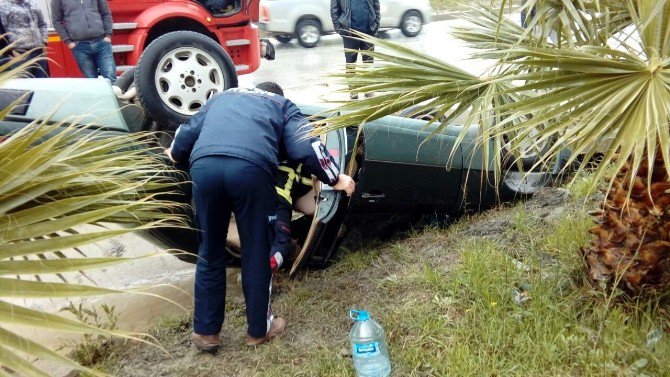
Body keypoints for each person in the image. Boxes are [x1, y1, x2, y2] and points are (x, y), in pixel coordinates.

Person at [165, 82, 356, 351]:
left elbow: (185, 133)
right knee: (256, 250)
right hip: (250, 169)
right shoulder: (282, 106)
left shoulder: (222, 98)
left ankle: (206, 333)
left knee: (210, 249)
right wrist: (335, 178)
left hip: (204, 168)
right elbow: (305, 145)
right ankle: (258, 330)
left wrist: (174, 154)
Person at [51, 0, 116, 83]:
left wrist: (108, 35)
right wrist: (69, 42)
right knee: (91, 81)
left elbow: (106, 13)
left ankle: (114, 96)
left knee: (111, 78)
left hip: (101, 43)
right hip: (80, 47)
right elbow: (56, 21)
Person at [330, 0, 380, 99]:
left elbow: (376, 5)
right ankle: (353, 90)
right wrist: (340, 29)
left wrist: (376, 24)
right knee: (350, 64)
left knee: (369, 62)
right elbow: (334, 10)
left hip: (368, 31)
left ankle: (369, 89)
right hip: (349, 33)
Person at [0, 0, 50, 78]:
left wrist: (44, 41)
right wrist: (9, 52)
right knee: (24, 85)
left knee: (43, 82)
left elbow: (42, 24)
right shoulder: (3, 6)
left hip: (38, 51)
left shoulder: (33, 3)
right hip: (18, 53)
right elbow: (1, 32)